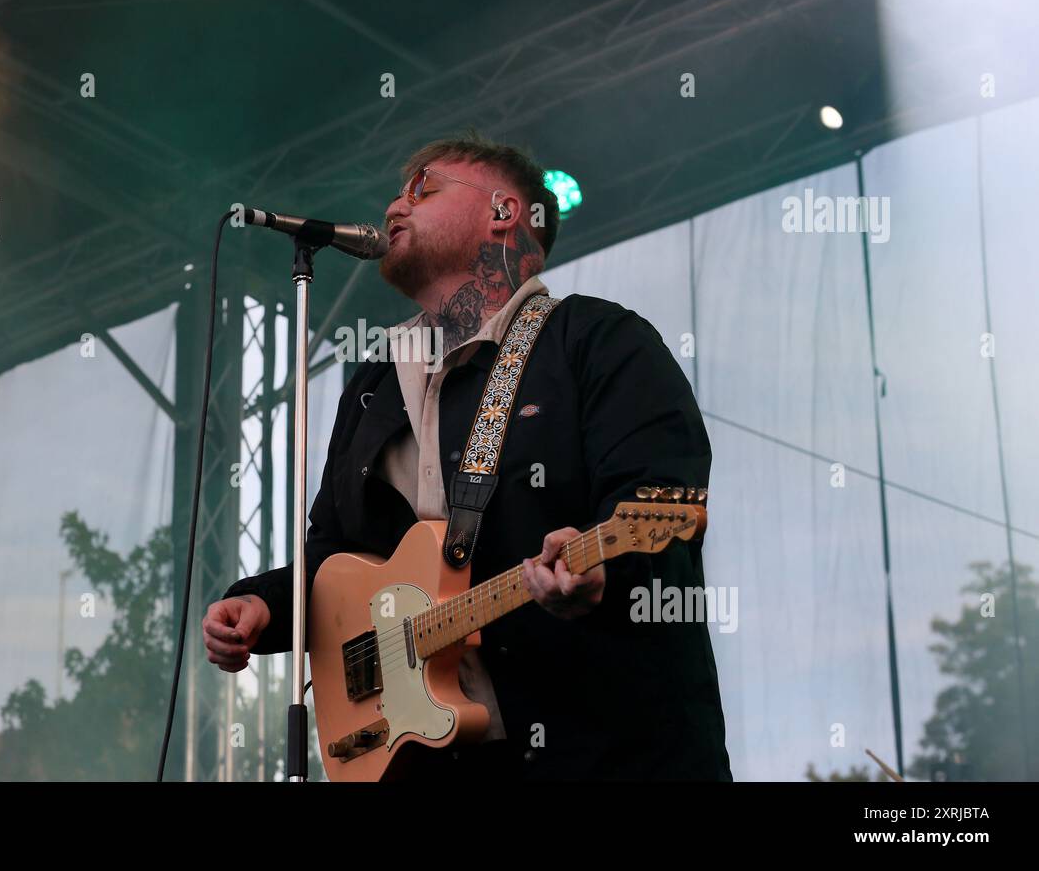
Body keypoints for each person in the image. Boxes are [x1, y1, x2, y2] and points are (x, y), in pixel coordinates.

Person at [203, 132, 732, 780]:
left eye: (423, 188)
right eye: (398, 193)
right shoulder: (372, 386)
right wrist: (262, 605)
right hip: (425, 760)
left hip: (598, 750)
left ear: (504, 212)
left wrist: (601, 575)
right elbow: (337, 556)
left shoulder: (600, 343)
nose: (395, 207)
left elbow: (656, 508)